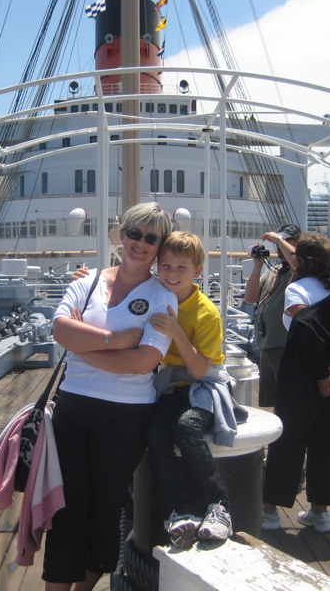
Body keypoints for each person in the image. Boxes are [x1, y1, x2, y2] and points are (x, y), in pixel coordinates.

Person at [43, 203, 176, 591]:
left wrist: (80, 344)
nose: (141, 243)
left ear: (159, 245)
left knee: (104, 509)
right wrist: (115, 340)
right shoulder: (87, 281)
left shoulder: (161, 296)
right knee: (66, 508)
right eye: (135, 233)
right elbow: (58, 329)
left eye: (152, 238)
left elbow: (143, 364)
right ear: (121, 233)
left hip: (126, 418)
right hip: (72, 409)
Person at [261, 233, 330, 533]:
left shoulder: (297, 289)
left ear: (302, 261)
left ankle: (269, 511)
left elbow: (305, 330)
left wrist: (321, 373)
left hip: (302, 377)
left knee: (287, 442)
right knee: (326, 444)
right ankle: (320, 514)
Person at [147, 231, 247, 549]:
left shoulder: (206, 314)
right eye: (166, 266)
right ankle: (177, 510)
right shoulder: (153, 297)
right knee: (153, 432)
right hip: (172, 383)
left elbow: (201, 369)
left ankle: (218, 507)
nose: (172, 274)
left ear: (197, 272)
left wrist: (176, 330)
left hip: (203, 384)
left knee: (187, 426)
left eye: (182, 267)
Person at [243, 224, 301, 407]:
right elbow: (251, 297)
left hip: (285, 345)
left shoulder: (299, 269)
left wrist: (277, 239)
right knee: (275, 402)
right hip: (267, 345)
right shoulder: (273, 271)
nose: (279, 246)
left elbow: (297, 260)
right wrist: (257, 266)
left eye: (286, 240)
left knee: (289, 400)